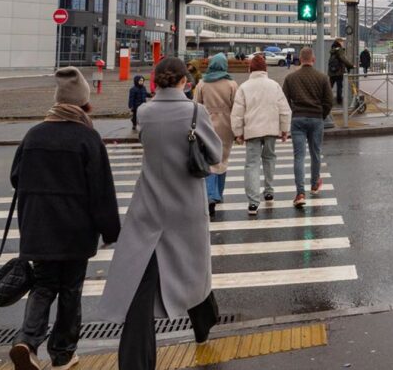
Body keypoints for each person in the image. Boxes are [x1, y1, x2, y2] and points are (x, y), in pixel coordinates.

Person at [99, 57, 221, 370]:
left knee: (141, 286)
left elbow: (145, 140)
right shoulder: (195, 111)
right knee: (193, 269)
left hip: (149, 204)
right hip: (187, 206)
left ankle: (136, 362)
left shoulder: (144, 112)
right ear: (184, 81)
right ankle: (204, 323)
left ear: (156, 81)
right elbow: (215, 153)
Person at [9, 67, 120, 370]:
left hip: (39, 228)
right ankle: (63, 354)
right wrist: (111, 230)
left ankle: (27, 342)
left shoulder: (34, 135)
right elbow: (101, 191)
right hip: (75, 231)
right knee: (70, 289)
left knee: (43, 285)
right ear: (84, 103)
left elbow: (16, 177)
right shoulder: (87, 138)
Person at [231, 54, 291, 215]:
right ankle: (269, 191)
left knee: (252, 164)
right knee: (270, 158)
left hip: (252, 130)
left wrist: (238, 132)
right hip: (271, 129)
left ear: (250, 69)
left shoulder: (244, 87)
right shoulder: (274, 85)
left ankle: (253, 202)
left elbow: (237, 113)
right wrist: (284, 129)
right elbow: (284, 109)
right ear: (265, 69)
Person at [281, 46, 333, 207]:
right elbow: (329, 101)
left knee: (299, 156)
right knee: (315, 153)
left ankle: (300, 193)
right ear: (313, 59)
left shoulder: (291, 78)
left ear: (300, 59)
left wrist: (294, 112)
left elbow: (284, 100)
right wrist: (321, 114)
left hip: (298, 119)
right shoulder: (322, 77)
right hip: (316, 118)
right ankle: (315, 185)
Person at [194, 53, 237, 220]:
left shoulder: (202, 83)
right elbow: (236, 106)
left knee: (209, 160)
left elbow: (196, 105)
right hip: (227, 125)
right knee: (223, 159)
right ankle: (218, 193)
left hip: (207, 124)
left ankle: (211, 195)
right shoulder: (232, 84)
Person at [327, 38, 354, 105]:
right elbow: (343, 59)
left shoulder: (333, 49)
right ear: (339, 42)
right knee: (339, 87)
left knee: (330, 86)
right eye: (342, 42)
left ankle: (326, 99)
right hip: (339, 72)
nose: (343, 44)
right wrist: (351, 65)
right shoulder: (339, 49)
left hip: (332, 71)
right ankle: (339, 101)